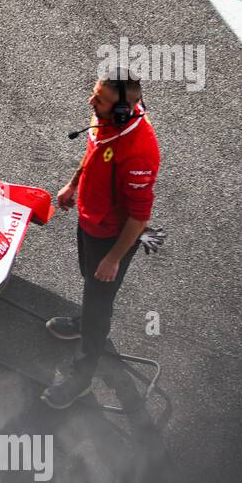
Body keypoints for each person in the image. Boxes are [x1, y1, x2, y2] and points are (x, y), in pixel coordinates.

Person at [41, 70, 161, 409]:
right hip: (90, 223)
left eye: (100, 100)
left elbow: (139, 218)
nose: (91, 102)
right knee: (88, 282)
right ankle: (85, 322)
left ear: (123, 110)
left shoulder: (139, 153)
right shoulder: (106, 120)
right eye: (95, 95)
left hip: (112, 239)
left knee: (98, 305)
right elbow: (94, 148)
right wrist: (74, 183)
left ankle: (80, 377)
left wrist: (114, 259)